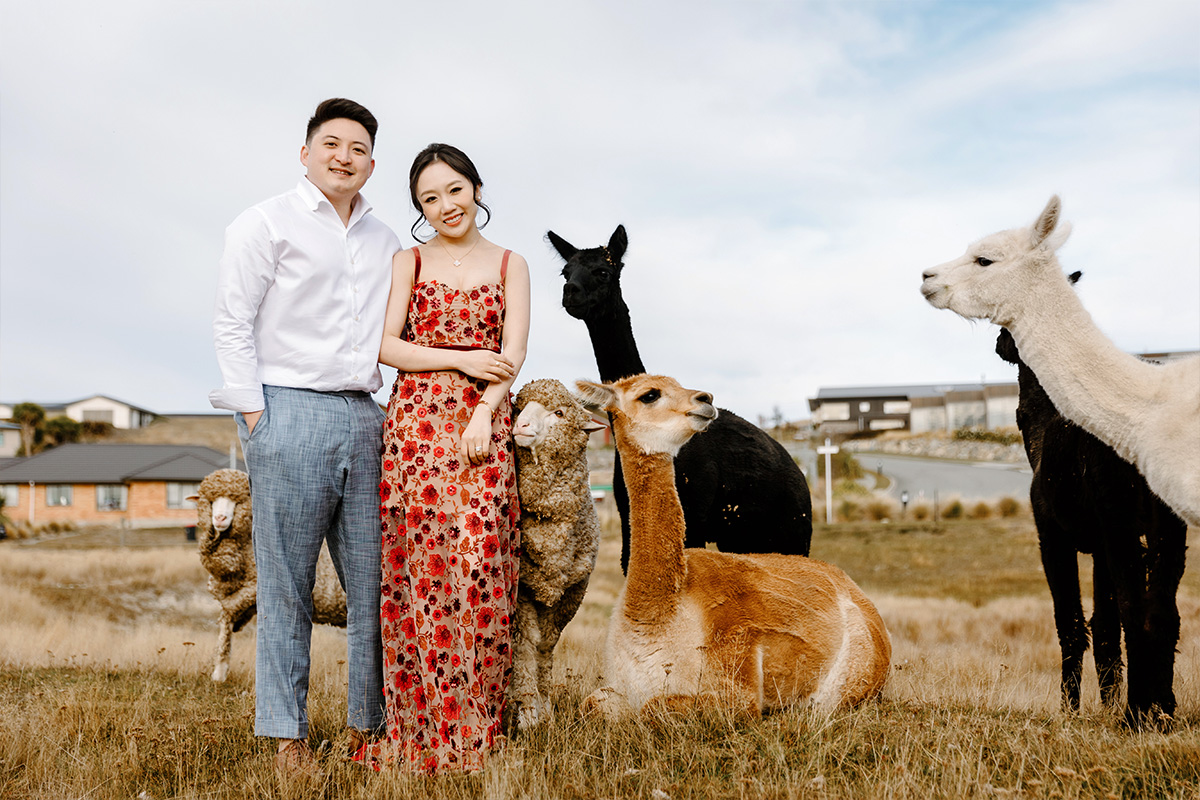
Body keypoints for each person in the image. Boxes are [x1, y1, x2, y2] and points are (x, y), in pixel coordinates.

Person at [209, 98, 400, 779]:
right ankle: (287, 739)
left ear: (371, 163)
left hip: (364, 413)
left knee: (375, 585)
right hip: (286, 408)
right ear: (306, 151)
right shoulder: (264, 223)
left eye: (357, 148)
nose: (343, 156)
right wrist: (257, 419)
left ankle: (368, 729)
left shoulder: (387, 242)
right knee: (287, 586)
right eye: (331, 143)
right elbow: (233, 321)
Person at [360, 143, 530, 773]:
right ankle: (420, 728)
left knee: (480, 564)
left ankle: (476, 729)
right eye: (429, 199)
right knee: (422, 572)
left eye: (454, 190)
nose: (445, 206)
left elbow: (511, 356)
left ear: (476, 189)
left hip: (482, 430)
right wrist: (459, 357)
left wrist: (486, 410)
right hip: (414, 432)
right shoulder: (409, 260)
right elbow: (386, 347)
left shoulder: (513, 264)